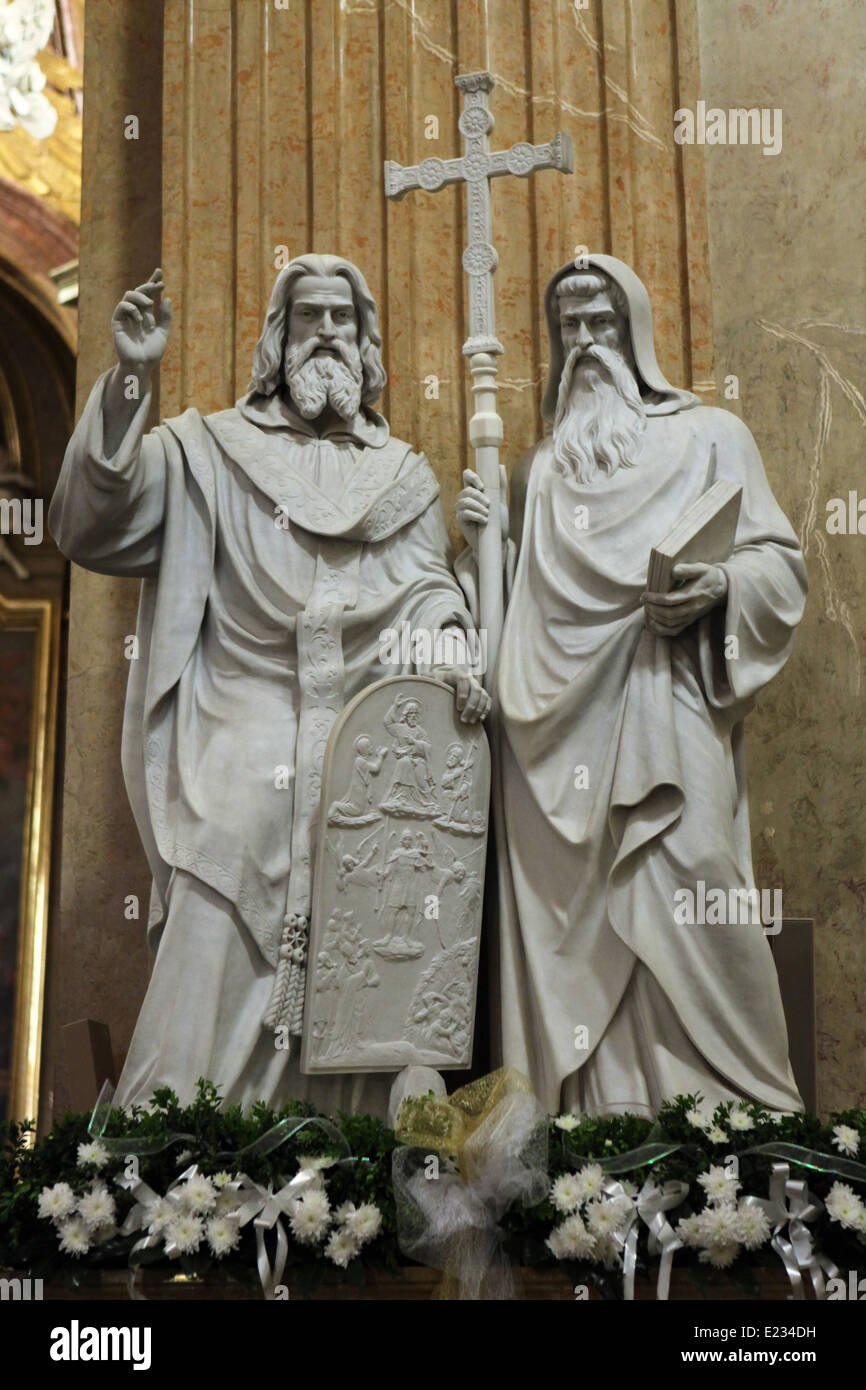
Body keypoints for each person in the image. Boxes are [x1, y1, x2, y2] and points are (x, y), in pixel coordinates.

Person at [51, 254, 489, 1114]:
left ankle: (344, 1161)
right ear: (277, 340)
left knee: (381, 882)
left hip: (368, 720)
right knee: (236, 834)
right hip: (243, 712)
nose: (325, 332)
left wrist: (447, 646)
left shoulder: (403, 474)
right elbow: (85, 526)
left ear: (366, 346)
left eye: (342, 319)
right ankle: (175, 1136)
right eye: (307, 317)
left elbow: (431, 588)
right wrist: (132, 380)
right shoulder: (206, 451)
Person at [457, 253, 806, 1117]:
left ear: (635, 331)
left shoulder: (710, 437)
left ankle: (739, 1119)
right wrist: (480, 557)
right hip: (554, 742)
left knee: (692, 871)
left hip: (669, 701)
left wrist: (722, 587)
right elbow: (512, 637)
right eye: (568, 327)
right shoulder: (538, 475)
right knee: (578, 921)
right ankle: (599, 1132)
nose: (583, 344)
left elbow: (778, 564)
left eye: (600, 323)